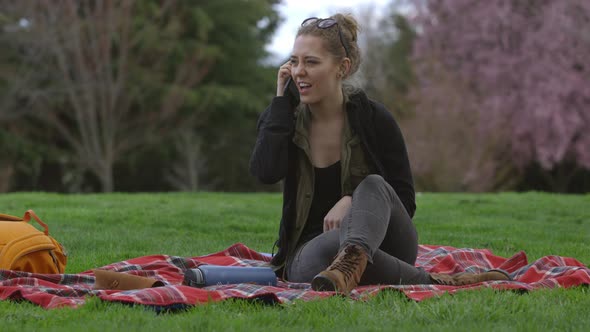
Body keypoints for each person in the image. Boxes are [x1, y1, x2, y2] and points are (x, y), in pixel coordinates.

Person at [249, 14, 510, 294]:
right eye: (294, 61)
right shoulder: (284, 120)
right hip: (313, 254)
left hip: (387, 244)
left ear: (342, 67)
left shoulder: (374, 119)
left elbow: (405, 201)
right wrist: (280, 101)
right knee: (332, 248)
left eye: (311, 62)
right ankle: (431, 282)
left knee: (373, 183)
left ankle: (351, 262)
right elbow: (266, 172)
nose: (299, 71)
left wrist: (352, 201)